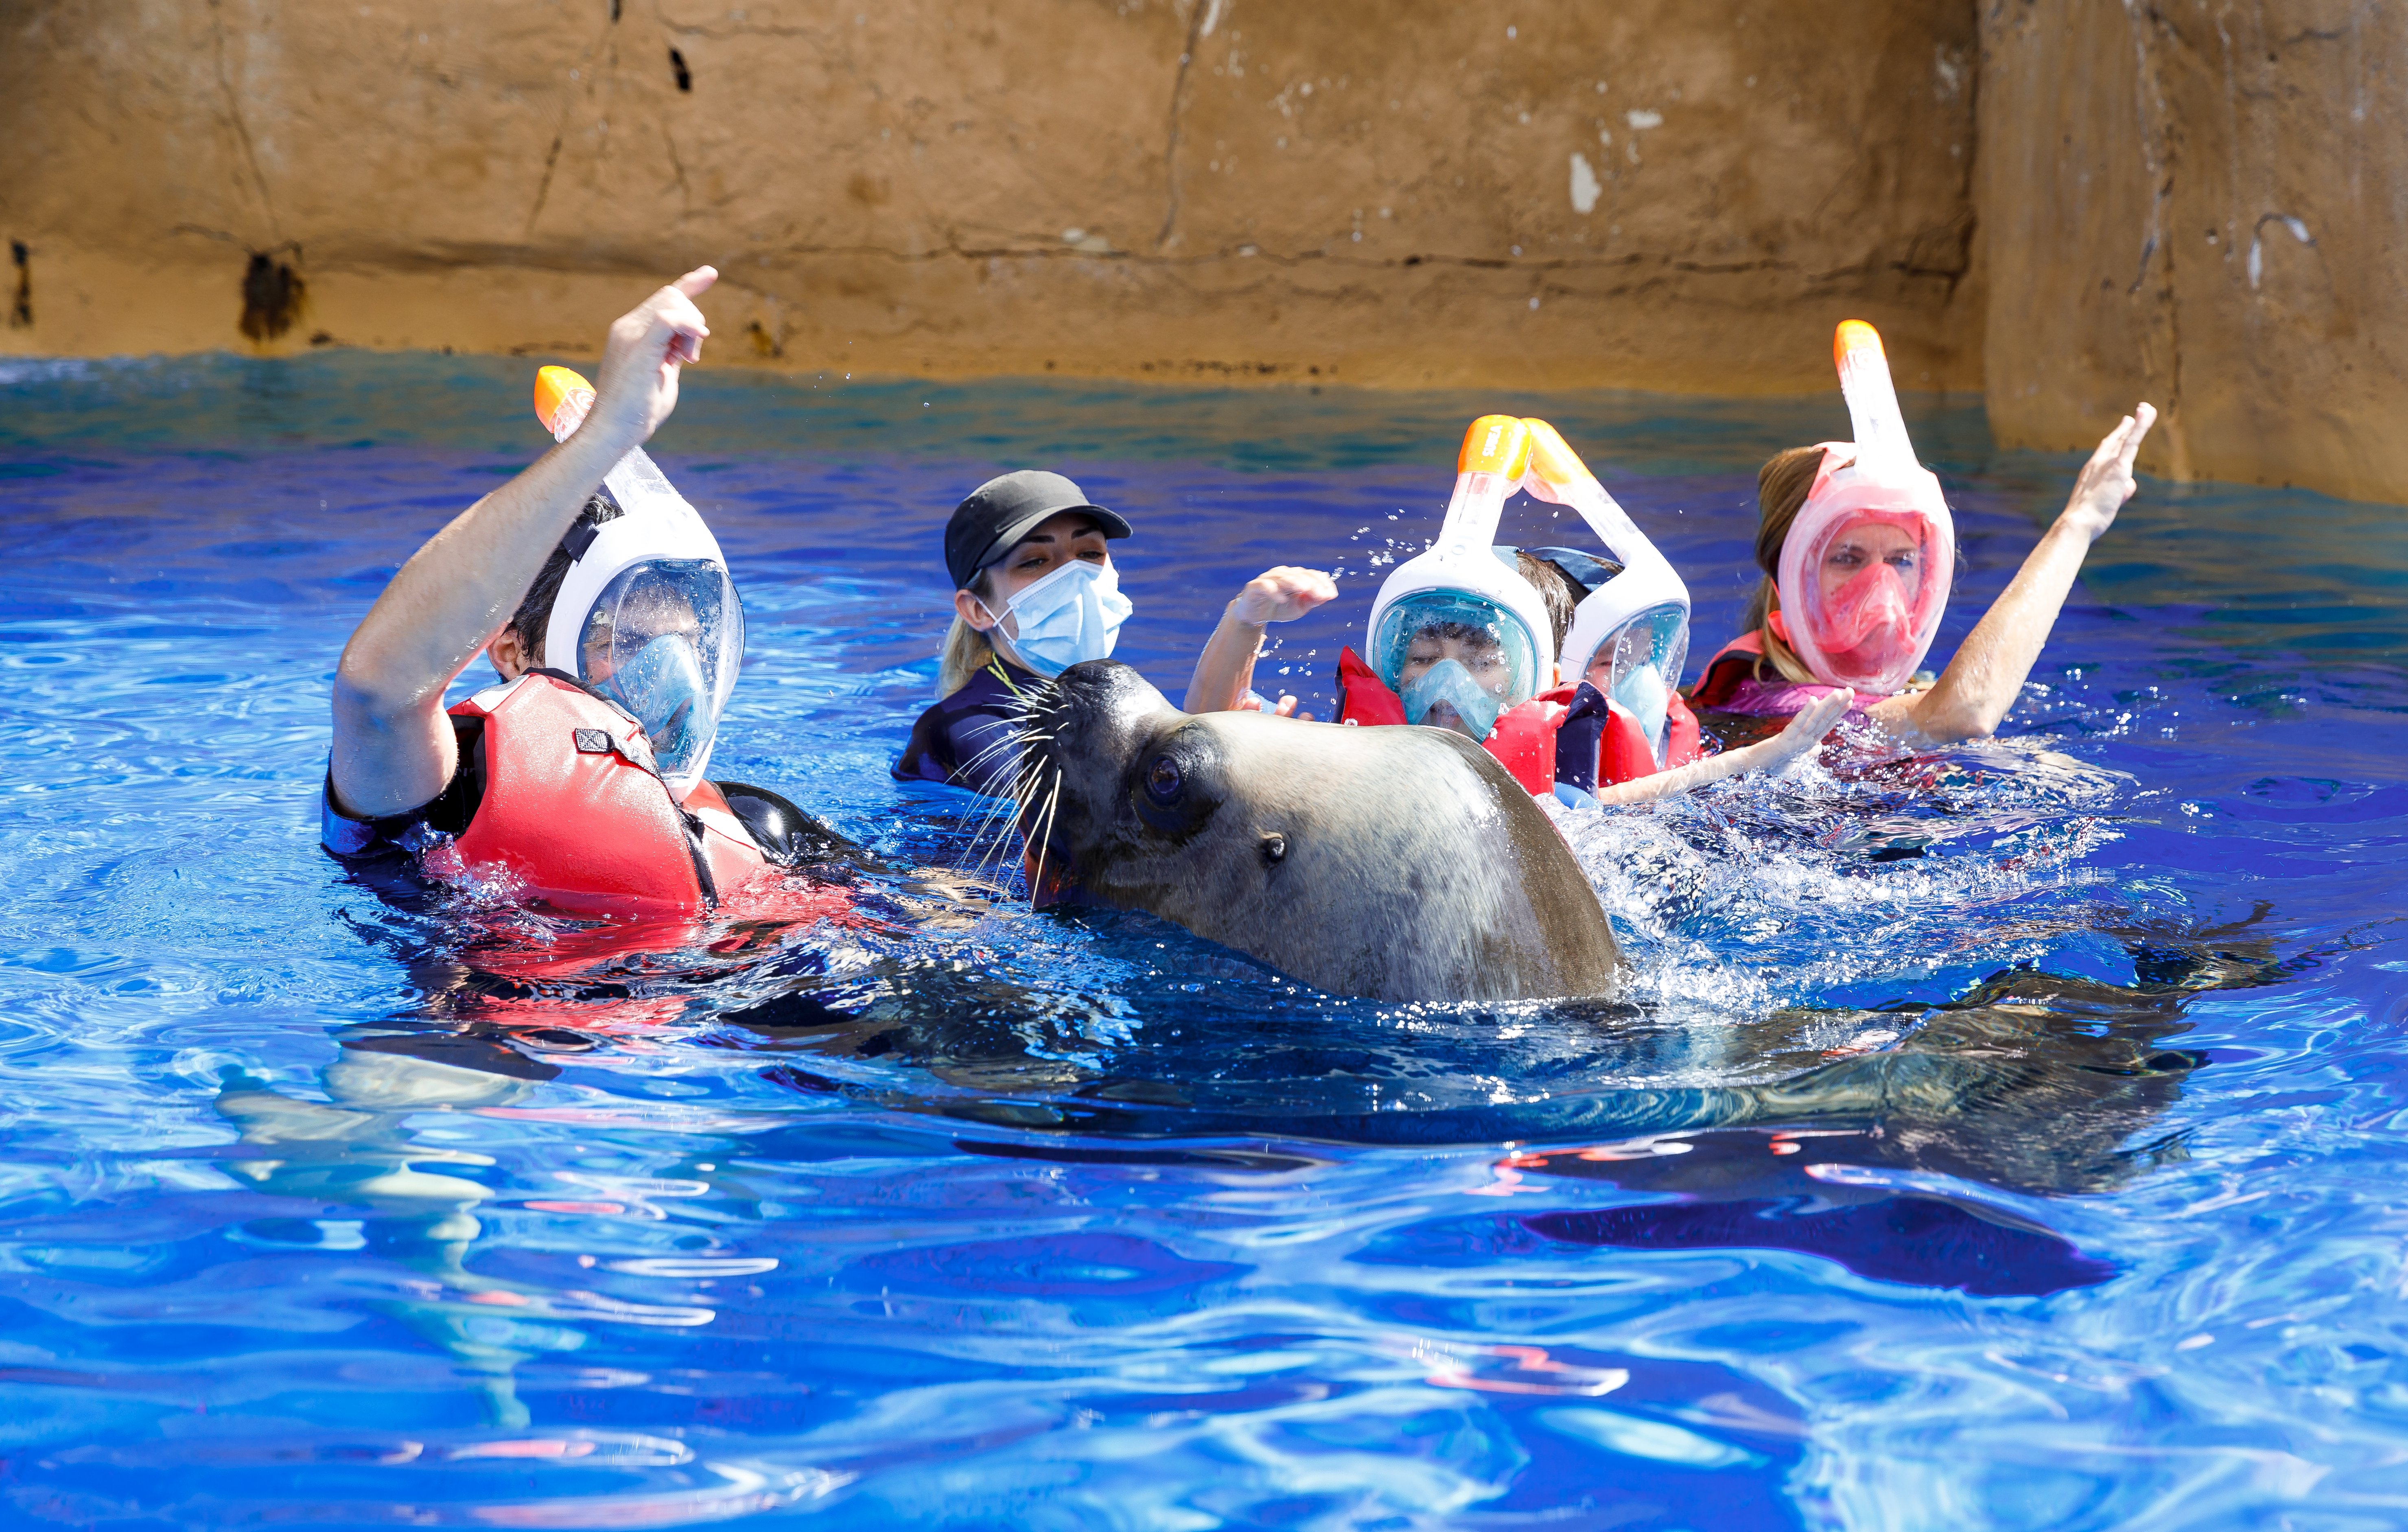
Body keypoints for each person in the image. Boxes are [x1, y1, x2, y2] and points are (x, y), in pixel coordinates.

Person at [322, 267, 845, 918]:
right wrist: (606, 436)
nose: (671, 667)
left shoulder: (762, 827)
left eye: (683, 638)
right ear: (512, 650)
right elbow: (378, 692)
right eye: (624, 638)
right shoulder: (448, 798)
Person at [1690, 320, 2157, 745]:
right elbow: (1966, 713)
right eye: (1847, 558)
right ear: (1787, 577)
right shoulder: (1771, 702)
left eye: (1901, 561)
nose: (1881, 590)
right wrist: (2076, 526)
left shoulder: (1911, 691)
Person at [1335, 414, 1839, 805]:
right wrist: (1250, 627)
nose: (1448, 684)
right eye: (1423, 658)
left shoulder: (1561, 785)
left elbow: (1615, 802)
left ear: (1545, 680)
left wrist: (1760, 758)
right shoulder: (1351, 752)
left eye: (1481, 663)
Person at [891, 470, 1339, 793]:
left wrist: (1246, 619)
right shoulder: (965, 728)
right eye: (1035, 562)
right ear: (977, 610)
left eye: (1090, 553)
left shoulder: (1102, 700)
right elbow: (1112, 818)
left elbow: (1182, 746)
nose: (1076, 578)